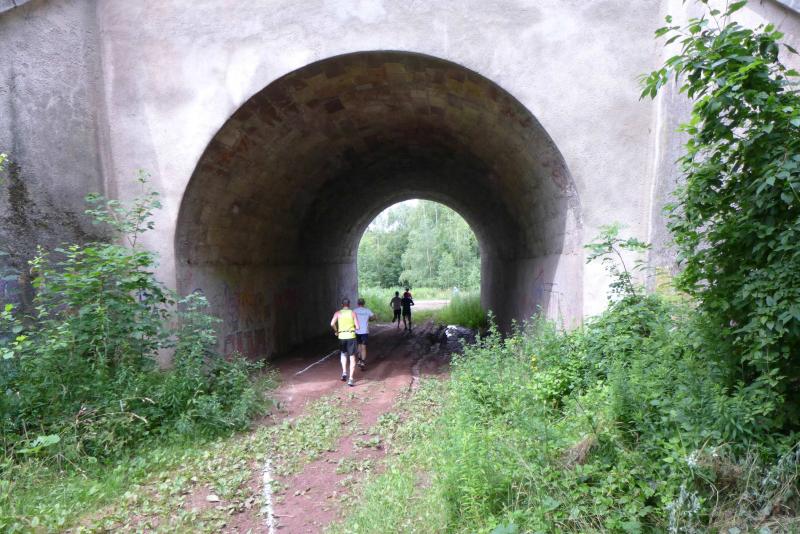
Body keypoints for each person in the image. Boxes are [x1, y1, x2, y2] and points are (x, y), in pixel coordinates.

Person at [330, 298, 360, 387]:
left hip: (342, 337)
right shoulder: (352, 313)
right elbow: (358, 327)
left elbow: (332, 323)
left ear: (342, 305)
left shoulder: (338, 313)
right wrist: (352, 328)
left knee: (343, 354)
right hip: (351, 337)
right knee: (352, 357)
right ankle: (351, 379)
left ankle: (344, 372)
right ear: (349, 304)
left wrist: (336, 331)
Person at [353, 298, 375, 370]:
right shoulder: (367, 310)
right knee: (364, 347)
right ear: (364, 303)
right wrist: (369, 319)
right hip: (365, 331)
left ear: (357, 303)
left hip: (357, 331)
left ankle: (359, 360)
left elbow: (352, 319)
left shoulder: (354, 311)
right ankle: (362, 362)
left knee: (359, 345)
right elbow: (374, 317)